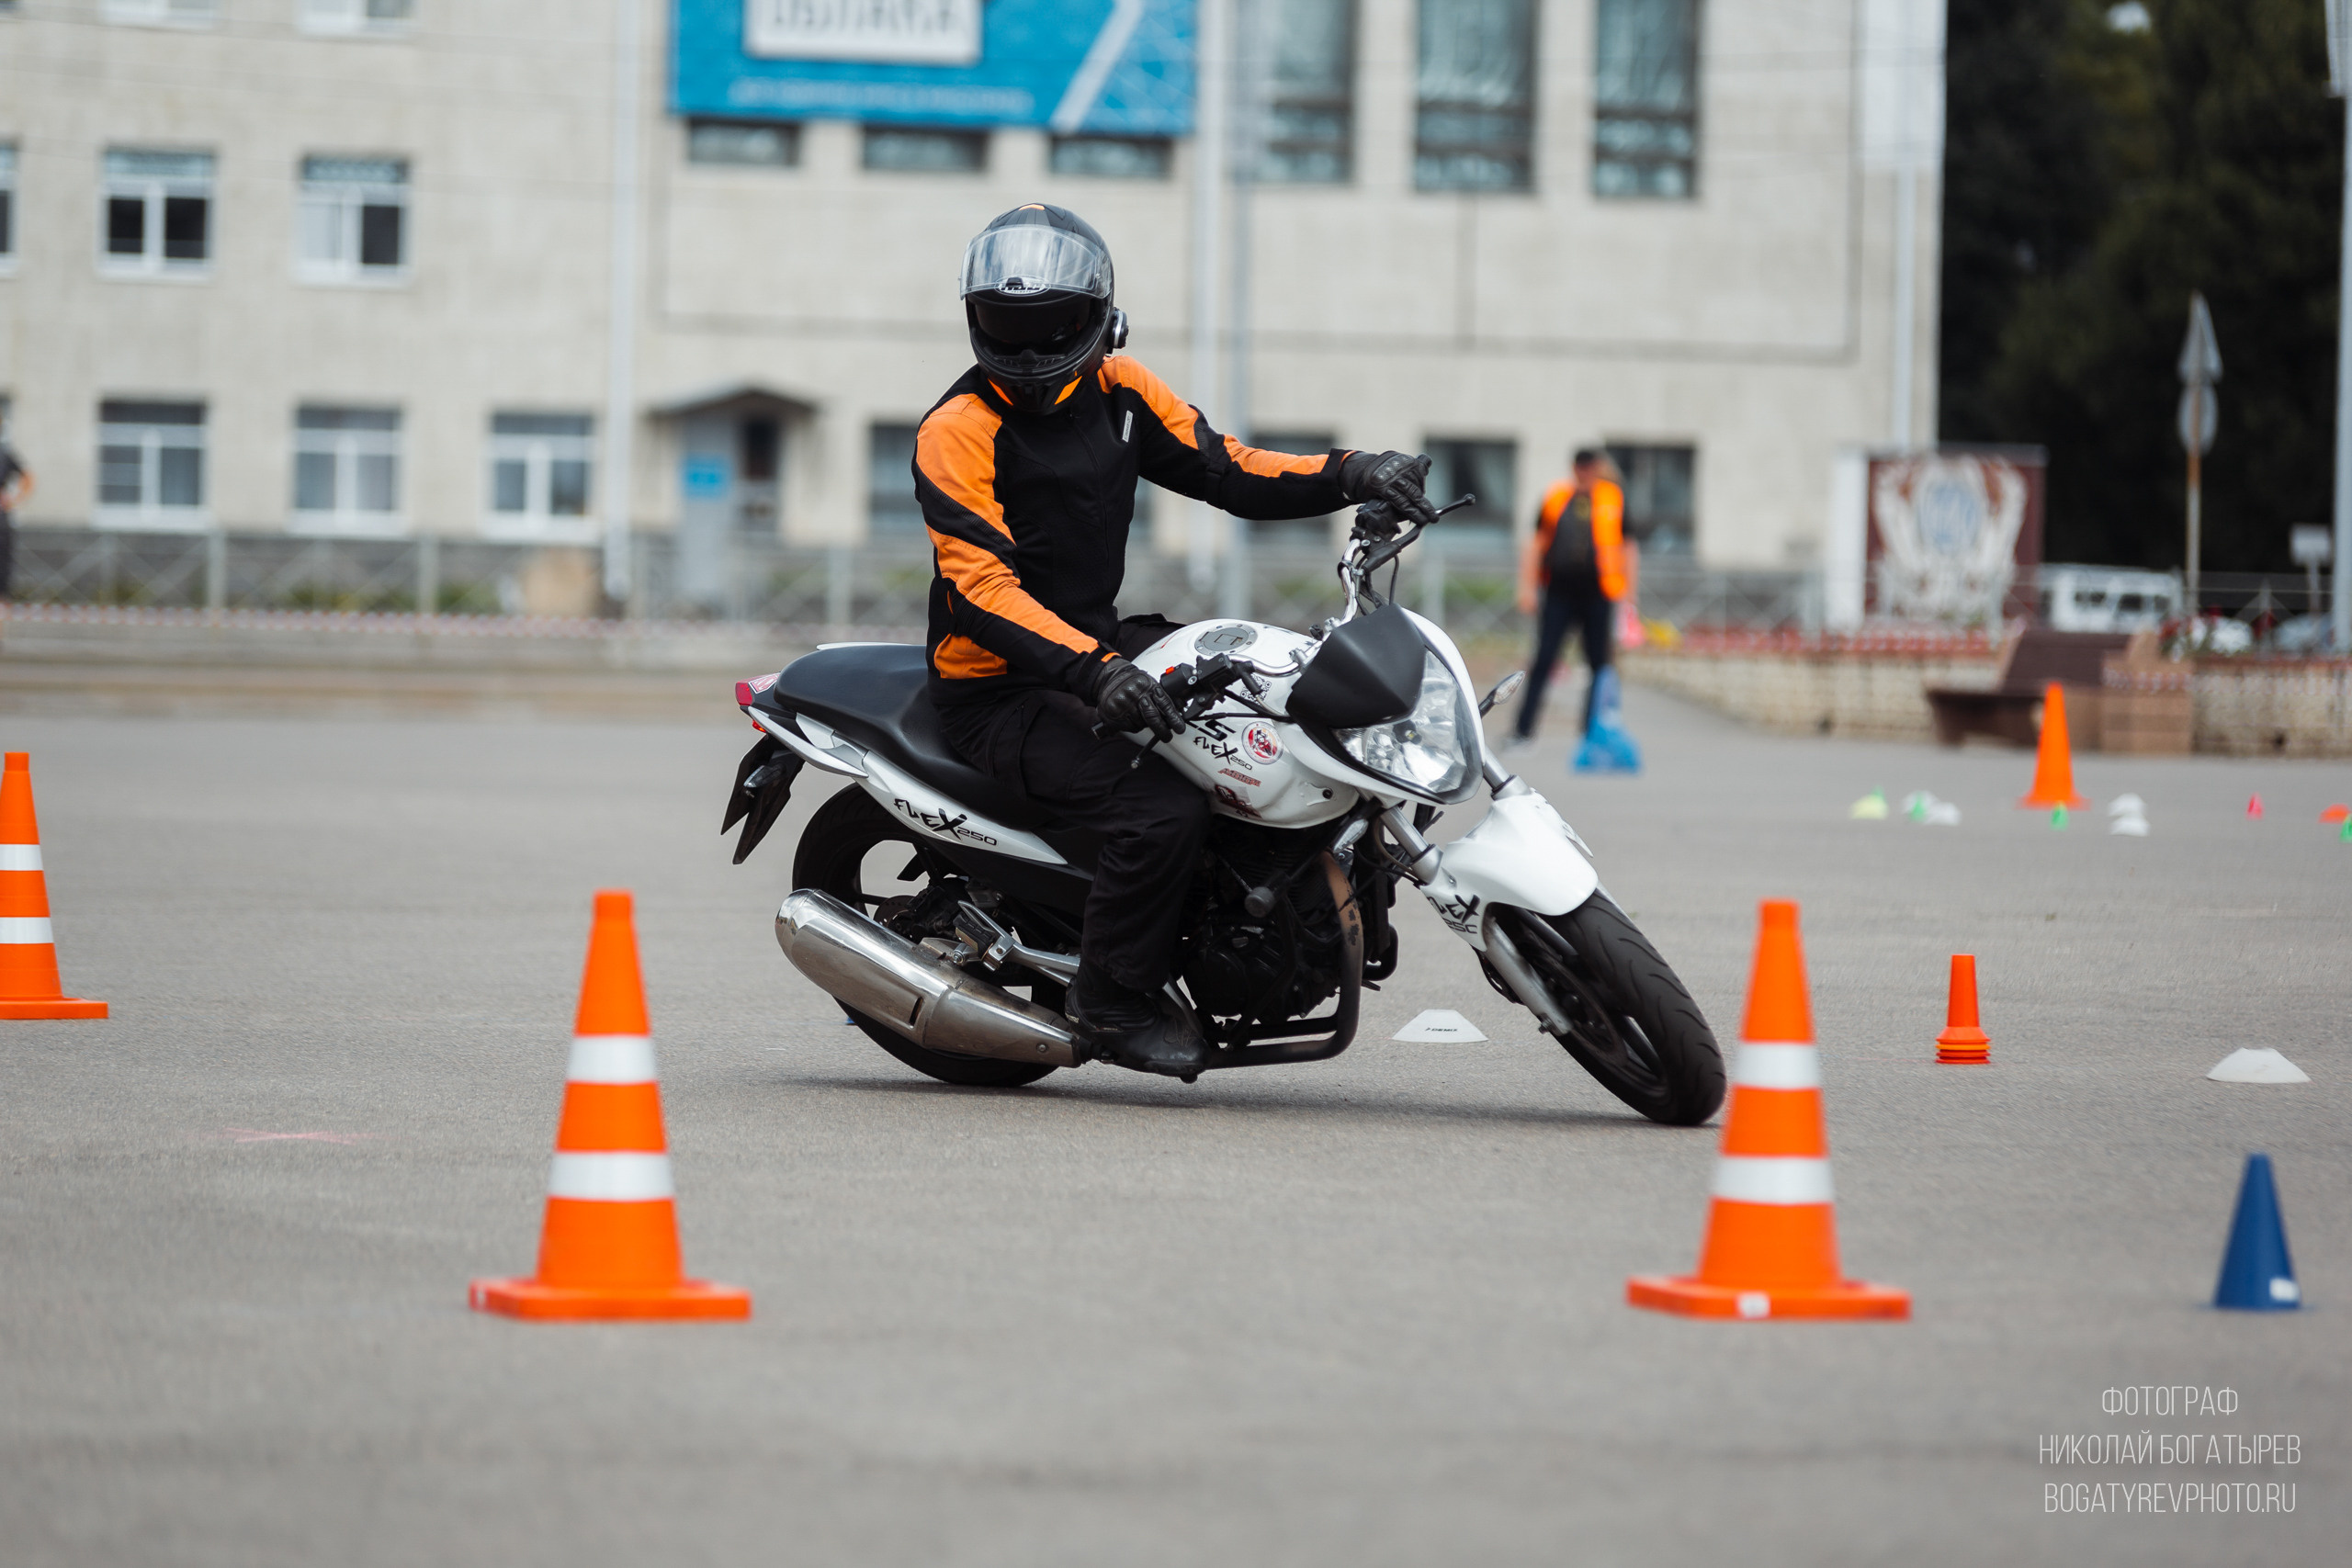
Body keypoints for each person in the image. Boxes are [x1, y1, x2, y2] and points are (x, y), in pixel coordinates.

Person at [914, 203, 1438, 1077]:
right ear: (976, 320)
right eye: (1008, 326)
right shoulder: (958, 428)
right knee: (1159, 807)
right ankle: (1112, 1000)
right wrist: (1099, 670)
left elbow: (1229, 468)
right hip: (998, 685)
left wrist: (1354, 472)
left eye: (1054, 326)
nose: (1031, 350)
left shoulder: (1120, 390)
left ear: (1098, 315)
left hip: (1093, 645)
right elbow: (980, 589)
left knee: (1265, 707)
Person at [1509, 448, 1627, 750]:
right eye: (1581, 466)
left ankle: (1592, 732)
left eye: (1591, 467)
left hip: (1599, 592)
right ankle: (1523, 731)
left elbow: (1627, 545)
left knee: (1599, 664)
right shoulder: (1556, 496)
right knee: (1544, 658)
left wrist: (1629, 595)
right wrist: (1527, 587)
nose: (1585, 472)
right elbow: (1536, 543)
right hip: (1559, 591)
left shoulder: (1613, 497)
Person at [0, 427, 31, 602]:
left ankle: (3, 596)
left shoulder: (3, 455)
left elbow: (28, 476)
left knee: (3, 557)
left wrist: (15, 498)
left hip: (1, 518)